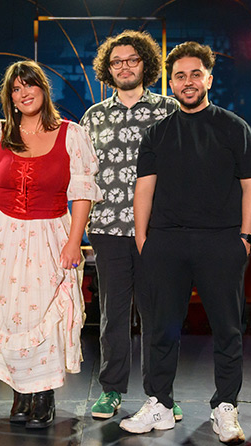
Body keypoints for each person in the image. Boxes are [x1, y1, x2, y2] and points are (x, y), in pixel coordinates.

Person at [119, 41, 251, 445]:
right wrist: (144, 240)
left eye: (195, 74)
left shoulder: (235, 128)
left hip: (221, 243)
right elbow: (143, 191)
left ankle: (225, 408)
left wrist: (246, 239)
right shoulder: (158, 133)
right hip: (166, 243)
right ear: (171, 82)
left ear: (208, 79)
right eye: (179, 75)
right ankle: (160, 403)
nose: (187, 81)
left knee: (228, 330)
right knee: (161, 329)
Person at [0, 60, 102, 429]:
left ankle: (44, 394)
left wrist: (73, 243)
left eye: (30, 85)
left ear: (43, 89)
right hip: (1, 236)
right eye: (16, 88)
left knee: (44, 313)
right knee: (7, 315)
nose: (24, 93)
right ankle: (21, 393)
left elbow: (82, 195)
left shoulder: (72, 134)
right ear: (11, 97)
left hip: (49, 234)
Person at [80, 29, 180, 420]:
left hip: (156, 229)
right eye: (117, 61)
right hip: (107, 229)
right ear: (108, 68)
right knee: (113, 315)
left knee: (159, 315)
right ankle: (111, 390)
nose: (124, 67)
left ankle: (160, 396)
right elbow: (83, 176)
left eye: (132, 60)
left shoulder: (167, 110)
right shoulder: (94, 117)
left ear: (147, 65)